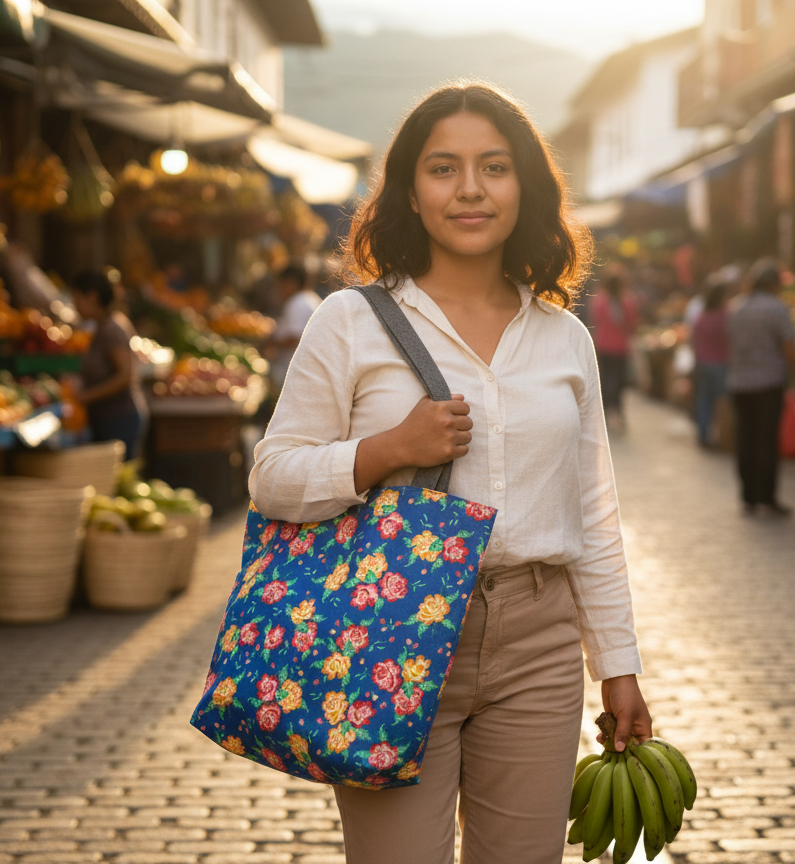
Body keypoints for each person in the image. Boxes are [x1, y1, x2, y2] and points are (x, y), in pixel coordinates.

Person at [249, 82, 651, 864]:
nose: (470, 188)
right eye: (444, 169)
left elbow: (595, 512)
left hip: (537, 639)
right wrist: (387, 449)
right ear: (410, 190)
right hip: (386, 630)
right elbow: (272, 478)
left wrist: (619, 666)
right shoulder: (350, 322)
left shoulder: (564, 338)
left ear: (525, 185)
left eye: (494, 167)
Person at [726, 258, 795, 517]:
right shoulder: (776, 308)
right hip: (768, 382)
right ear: (773, 284)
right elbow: (789, 346)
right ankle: (767, 498)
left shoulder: (736, 308)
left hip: (740, 383)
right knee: (766, 440)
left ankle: (748, 496)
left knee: (745, 438)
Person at [70, 268, 148, 461]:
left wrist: (84, 397)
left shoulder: (112, 329)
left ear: (93, 297)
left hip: (120, 419)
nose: (75, 305)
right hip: (109, 418)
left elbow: (124, 377)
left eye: (77, 298)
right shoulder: (103, 326)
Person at [589, 263, 638, 429]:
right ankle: (618, 412)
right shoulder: (627, 301)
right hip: (621, 347)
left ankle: (605, 414)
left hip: (603, 346)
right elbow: (632, 324)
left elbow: (595, 319)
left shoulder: (600, 301)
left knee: (605, 380)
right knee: (619, 381)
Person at [265, 263, 322, 391]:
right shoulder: (308, 298)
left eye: (281, 283)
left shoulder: (297, 303)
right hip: (307, 372)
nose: (279, 289)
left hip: (296, 374)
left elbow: (295, 338)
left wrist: (272, 345)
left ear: (290, 282)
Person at [692, 280, 729, 447]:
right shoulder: (725, 316)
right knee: (721, 401)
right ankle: (722, 435)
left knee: (704, 400)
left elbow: (693, 341)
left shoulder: (701, 316)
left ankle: (703, 434)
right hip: (720, 364)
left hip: (702, 363)